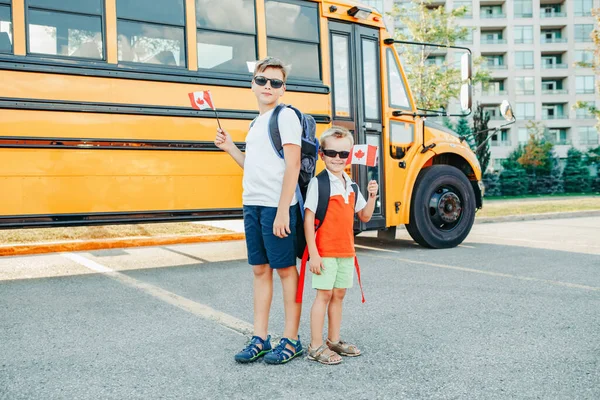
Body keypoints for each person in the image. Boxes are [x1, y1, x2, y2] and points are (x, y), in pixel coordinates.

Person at [214, 57, 304, 364]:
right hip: (252, 203)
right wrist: (230, 150)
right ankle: (261, 337)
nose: (268, 86)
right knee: (260, 270)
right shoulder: (255, 124)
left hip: (276, 206)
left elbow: (292, 165)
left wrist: (282, 211)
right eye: (262, 80)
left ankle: (292, 339)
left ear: (283, 88)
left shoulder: (286, 116)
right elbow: (251, 166)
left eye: (275, 82)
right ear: (252, 84)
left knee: (285, 272)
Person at [303, 126, 378, 365]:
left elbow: (364, 216)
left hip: (346, 251)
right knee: (323, 295)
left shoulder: (352, 186)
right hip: (324, 252)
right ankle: (315, 346)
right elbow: (308, 219)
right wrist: (313, 253)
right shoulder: (319, 183)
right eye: (331, 153)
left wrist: (373, 195)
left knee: (339, 295)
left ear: (350, 156)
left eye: (343, 154)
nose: (337, 158)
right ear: (321, 155)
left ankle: (333, 340)